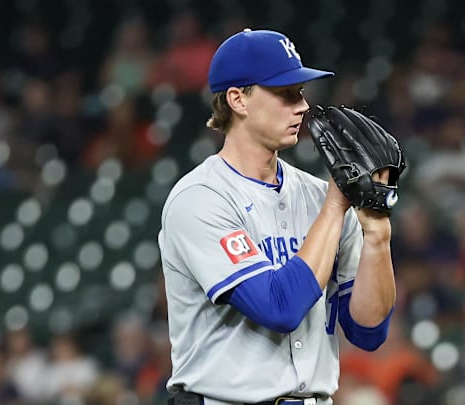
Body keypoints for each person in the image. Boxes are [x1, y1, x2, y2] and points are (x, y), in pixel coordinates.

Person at [158, 28, 397, 405]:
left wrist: (378, 234)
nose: (302, 106)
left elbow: (367, 332)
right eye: (286, 94)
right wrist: (336, 206)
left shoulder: (319, 194)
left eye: (300, 92)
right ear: (238, 99)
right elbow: (279, 308)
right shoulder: (200, 199)